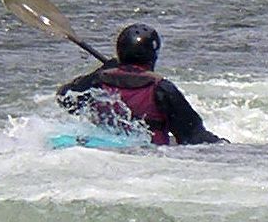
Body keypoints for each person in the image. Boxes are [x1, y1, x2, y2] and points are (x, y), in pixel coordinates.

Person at [56, 22, 224, 145]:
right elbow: (193, 136)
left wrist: (101, 71)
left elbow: (65, 100)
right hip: (149, 155)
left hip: (102, 150)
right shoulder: (161, 88)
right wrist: (224, 145)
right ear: (153, 56)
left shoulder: (97, 82)